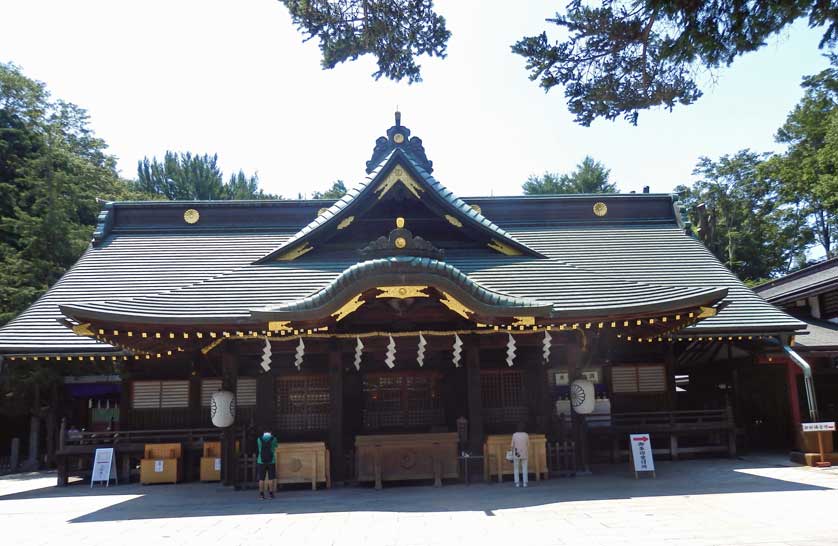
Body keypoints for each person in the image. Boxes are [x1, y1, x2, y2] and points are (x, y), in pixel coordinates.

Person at [256, 431, 278, 499]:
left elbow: (259, 447)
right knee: (271, 478)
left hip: (261, 461)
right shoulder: (274, 439)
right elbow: (275, 446)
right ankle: (271, 494)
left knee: (261, 478)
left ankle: (261, 494)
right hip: (271, 461)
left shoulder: (259, 439)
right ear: (270, 432)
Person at [510, 423, 529, 488]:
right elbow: (528, 444)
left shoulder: (514, 435)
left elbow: (512, 445)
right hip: (524, 453)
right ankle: (525, 483)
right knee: (524, 468)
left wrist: (511, 453)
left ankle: (517, 483)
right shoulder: (526, 435)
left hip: (516, 453)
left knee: (516, 468)